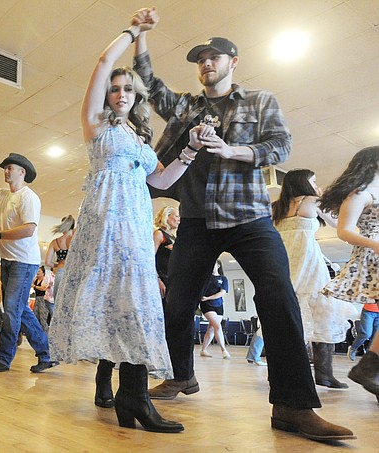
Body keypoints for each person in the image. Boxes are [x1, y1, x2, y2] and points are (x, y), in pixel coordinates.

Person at [132, 7, 353, 440]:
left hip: (249, 216)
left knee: (278, 298)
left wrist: (232, 150)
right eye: (200, 59)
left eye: (214, 57)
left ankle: (293, 406)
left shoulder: (259, 101)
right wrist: (140, 36)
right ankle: (181, 375)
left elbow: (281, 145)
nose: (205, 64)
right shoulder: (186, 108)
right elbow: (150, 86)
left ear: (233, 62)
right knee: (176, 305)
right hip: (196, 219)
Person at [49, 14, 206, 433]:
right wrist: (134, 33)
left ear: (137, 97)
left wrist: (189, 148)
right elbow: (103, 63)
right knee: (124, 302)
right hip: (105, 224)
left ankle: (130, 397)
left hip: (136, 227)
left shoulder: (139, 140)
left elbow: (161, 179)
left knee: (135, 306)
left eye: (127, 89)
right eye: (114, 89)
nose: (120, 93)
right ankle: (130, 396)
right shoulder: (96, 125)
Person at [272, 169, 356, 388]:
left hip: (286, 263)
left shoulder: (276, 207)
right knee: (323, 314)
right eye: (314, 180)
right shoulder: (311, 200)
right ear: (304, 182)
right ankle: (324, 374)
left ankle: (285, 375)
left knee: (288, 319)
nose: (316, 184)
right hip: (310, 264)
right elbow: (337, 222)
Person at [0, 153, 57, 374]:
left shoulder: (28, 197)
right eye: (4, 168)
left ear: (22, 172)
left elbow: (29, 229)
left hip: (24, 262)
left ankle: (3, 358)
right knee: (19, 309)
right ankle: (47, 353)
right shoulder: (3, 194)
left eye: (10, 168)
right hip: (8, 260)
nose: (6, 171)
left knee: (12, 309)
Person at [320, 146, 379, 399]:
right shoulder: (361, 193)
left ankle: (370, 369)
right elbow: (344, 231)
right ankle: (368, 368)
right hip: (374, 255)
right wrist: (376, 244)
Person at [199, 261, 230, 359]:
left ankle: (203, 350)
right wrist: (205, 299)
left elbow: (222, 293)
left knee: (212, 328)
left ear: (218, 265)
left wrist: (209, 297)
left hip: (218, 306)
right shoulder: (205, 277)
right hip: (207, 305)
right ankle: (224, 350)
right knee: (217, 325)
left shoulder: (223, 279)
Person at [44, 215, 74, 300]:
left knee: (58, 301)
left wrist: (58, 265)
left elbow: (47, 262)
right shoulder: (75, 239)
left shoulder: (55, 242)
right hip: (73, 272)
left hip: (60, 272)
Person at [153, 206, 179, 298]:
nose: (179, 220)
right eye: (176, 216)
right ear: (167, 216)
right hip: (163, 278)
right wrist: (157, 280)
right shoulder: (159, 234)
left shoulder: (173, 237)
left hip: (173, 279)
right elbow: (150, 258)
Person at [32, 266, 54, 334]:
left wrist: (35, 286)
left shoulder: (45, 279)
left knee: (43, 317)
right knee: (35, 316)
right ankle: (37, 333)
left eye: (39, 271)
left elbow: (44, 288)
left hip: (43, 299)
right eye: (37, 271)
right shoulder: (35, 280)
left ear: (43, 273)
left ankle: (46, 334)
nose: (37, 273)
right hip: (37, 298)